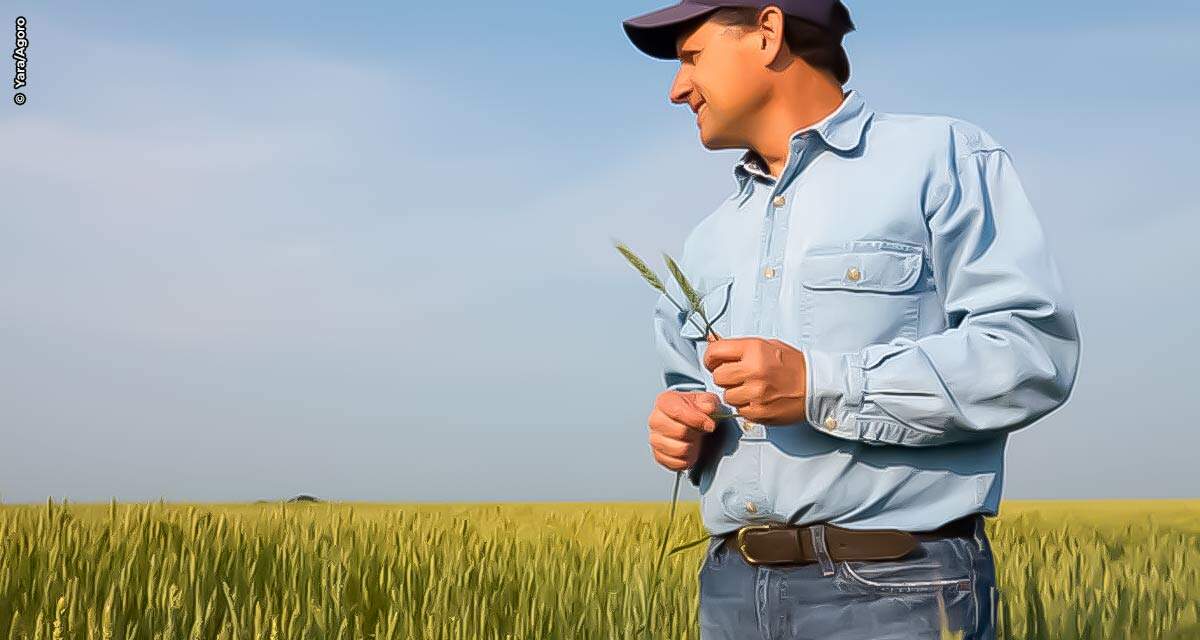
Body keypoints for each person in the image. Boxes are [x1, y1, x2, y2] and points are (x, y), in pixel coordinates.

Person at [622, 1, 1082, 638]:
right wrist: (682, 426)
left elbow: (1031, 353)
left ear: (768, 33)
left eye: (691, 58)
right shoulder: (706, 239)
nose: (677, 89)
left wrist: (819, 384)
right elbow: (688, 388)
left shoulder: (940, 156)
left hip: (896, 586)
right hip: (729, 588)